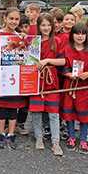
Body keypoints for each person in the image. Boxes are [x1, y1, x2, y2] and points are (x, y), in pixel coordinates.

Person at [61, 22, 88, 154]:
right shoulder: (67, 49)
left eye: (83, 34)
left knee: (84, 114)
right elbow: (63, 66)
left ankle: (83, 139)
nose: (80, 37)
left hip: (84, 87)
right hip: (70, 86)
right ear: (72, 35)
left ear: (87, 35)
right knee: (69, 114)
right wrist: (68, 74)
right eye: (77, 33)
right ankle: (71, 137)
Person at [0, 7, 27, 149]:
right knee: (2, 107)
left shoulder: (21, 37)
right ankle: (0, 132)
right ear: (5, 18)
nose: (14, 21)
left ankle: (11, 133)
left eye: (16, 19)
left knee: (14, 108)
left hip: (16, 78)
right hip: (3, 78)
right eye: (11, 18)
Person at [30, 14, 65, 155]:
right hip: (35, 79)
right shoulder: (33, 41)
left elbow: (63, 61)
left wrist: (47, 61)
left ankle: (55, 141)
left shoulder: (57, 41)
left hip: (51, 80)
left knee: (53, 113)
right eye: (43, 25)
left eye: (48, 25)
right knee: (36, 111)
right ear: (38, 26)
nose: (46, 28)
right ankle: (39, 137)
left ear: (52, 26)